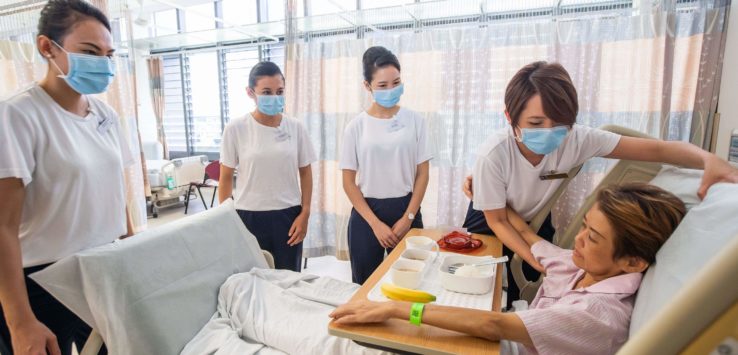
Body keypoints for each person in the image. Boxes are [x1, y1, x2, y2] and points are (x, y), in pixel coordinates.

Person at [461, 61, 738, 305]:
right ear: (510, 117)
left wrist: (707, 159)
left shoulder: (577, 139)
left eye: (560, 123)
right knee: (481, 288)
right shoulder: (494, 154)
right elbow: (498, 221)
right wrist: (538, 259)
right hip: (489, 220)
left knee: (531, 289)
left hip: (535, 219)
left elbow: (657, 150)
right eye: (535, 122)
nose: (549, 133)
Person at [331, 183, 687, 354]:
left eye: (592, 237)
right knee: (352, 299)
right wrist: (491, 197)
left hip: (503, 343)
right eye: (584, 227)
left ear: (633, 262)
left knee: (369, 335)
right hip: (505, 333)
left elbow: (493, 323)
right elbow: (529, 235)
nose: (577, 240)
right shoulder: (583, 267)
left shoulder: (597, 311)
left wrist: (398, 308)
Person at [0, 1, 135, 354]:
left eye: (108, 55)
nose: (102, 64)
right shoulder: (17, 116)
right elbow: (2, 226)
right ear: (48, 47)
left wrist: (135, 255)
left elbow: (117, 195)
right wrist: (20, 321)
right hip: (41, 282)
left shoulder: (105, 115)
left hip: (104, 269)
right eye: (90, 52)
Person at [340, 46, 432, 285]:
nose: (391, 90)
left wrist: (408, 217)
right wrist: (375, 224)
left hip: (407, 208)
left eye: (396, 82)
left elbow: (423, 174)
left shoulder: (415, 121)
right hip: (367, 214)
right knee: (365, 287)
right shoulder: (356, 127)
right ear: (367, 86)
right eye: (382, 85)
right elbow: (349, 183)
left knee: (411, 285)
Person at [219, 61, 316, 272]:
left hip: (288, 216)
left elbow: (306, 172)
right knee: (254, 281)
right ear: (250, 92)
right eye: (266, 92)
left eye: (279, 91)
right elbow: (225, 177)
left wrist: (305, 213)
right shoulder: (236, 128)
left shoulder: (295, 127)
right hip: (248, 216)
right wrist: (226, 220)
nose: (274, 97)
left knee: (288, 281)